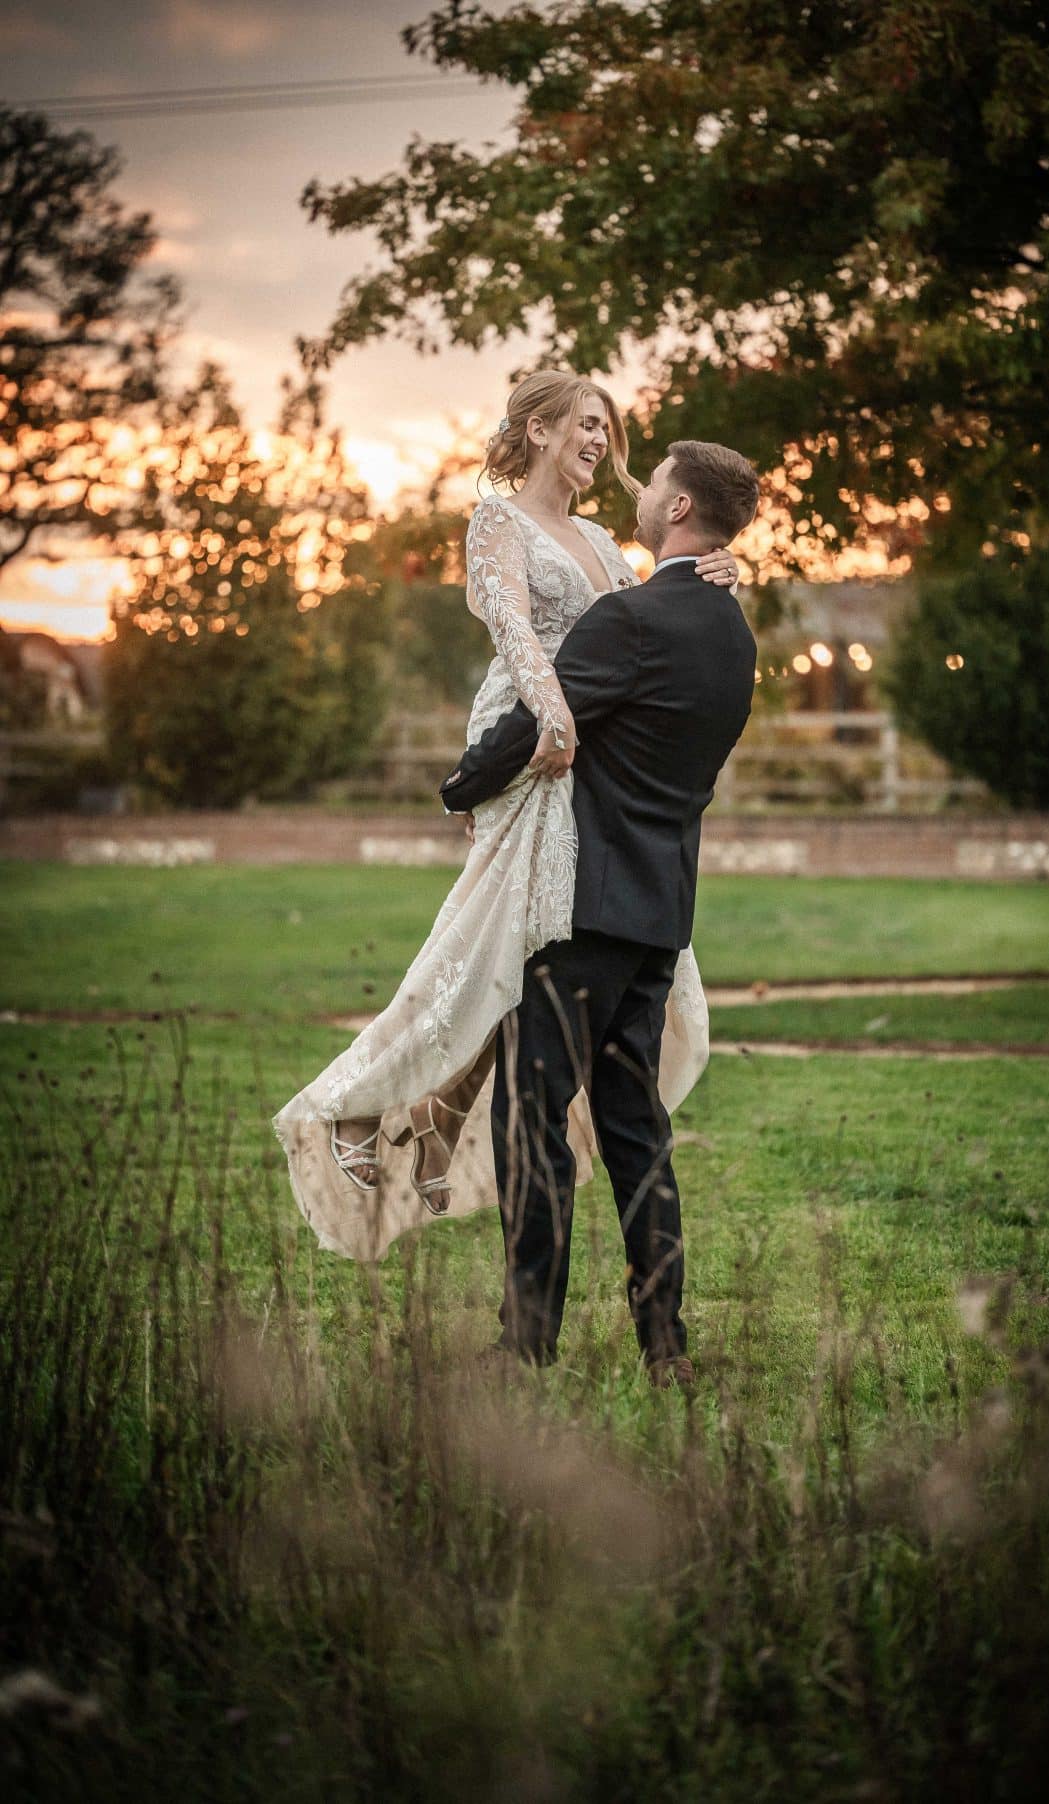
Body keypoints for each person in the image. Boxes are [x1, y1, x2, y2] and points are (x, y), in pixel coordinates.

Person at [271, 371, 740, 1263]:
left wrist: (719, 568)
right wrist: (549, 724)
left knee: (533, 955)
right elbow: (520, 632)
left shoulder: (604, 539)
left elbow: (649, 623)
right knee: (499, 940)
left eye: (607, 427)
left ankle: (428, 1117)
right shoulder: (498, 522)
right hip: (527, 734)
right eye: (582, 423)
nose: (599, 441)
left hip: (578, 743)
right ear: (535, 430)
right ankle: (368, 1102)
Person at [439, 437, 760, 1384]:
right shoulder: (733, 632)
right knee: (635, 1133)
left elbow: (545, 720)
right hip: (662, 913)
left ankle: (527, 1342)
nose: (638, 486)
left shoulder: (629, 620)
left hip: (578, 914)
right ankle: (666, 1347)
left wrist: (460, 788)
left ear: (678, 512)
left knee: (530, 1120)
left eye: (653, 479)